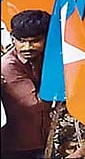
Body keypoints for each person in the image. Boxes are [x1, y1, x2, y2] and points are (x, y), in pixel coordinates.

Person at [1, 10, 52, 158]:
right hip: (18, 145)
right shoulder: (8, 65)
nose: (27, 47)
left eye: (35, 41)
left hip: (44, 138)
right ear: (13, 39)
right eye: (22, 41)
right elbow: (34, 104)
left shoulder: (48, 57)